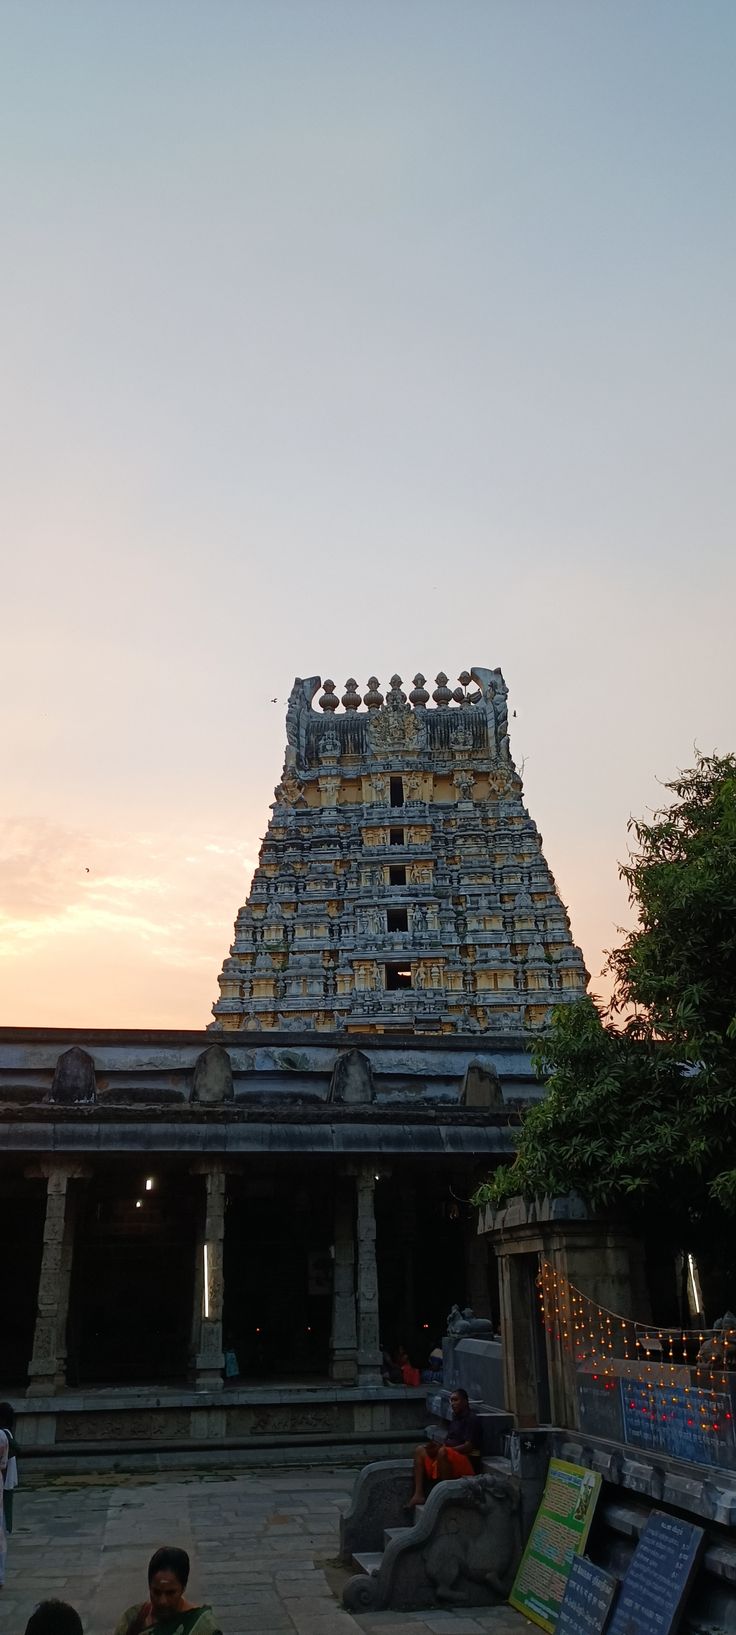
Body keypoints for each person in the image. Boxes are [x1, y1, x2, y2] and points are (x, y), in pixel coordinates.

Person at [113, 1546, 222, 1635]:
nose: (162, 1601)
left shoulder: (201, 1627)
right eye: (156, 1592)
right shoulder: (132, 1618)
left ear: (183, 1588)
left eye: (171, 1593)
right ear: (149, 1587)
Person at [406, 1388, 483, 1509]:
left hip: (468, 1460)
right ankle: (418, 1494)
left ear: (465, 1401)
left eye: (456, 1400)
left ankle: (446, 1494)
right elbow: (448, 1441)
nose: (452, 1403)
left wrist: (446, 1450)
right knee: (420, 1450)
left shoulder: (472, 1419)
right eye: (451, 1400)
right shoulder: (455, 1418)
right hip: (448, 1455)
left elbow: (469, 1447)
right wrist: (436, 1448)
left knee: (443, 1452)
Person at [0, 1403, 18, 1537]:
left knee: (6, 1501)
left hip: (5, 1472)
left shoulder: (4, 1432)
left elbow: (16, 1448)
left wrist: (6, 1456)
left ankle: (7, 1527)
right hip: (6, 1470)